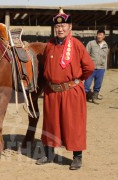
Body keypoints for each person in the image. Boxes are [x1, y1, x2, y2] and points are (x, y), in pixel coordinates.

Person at [35, 8, 94, 170]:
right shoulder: (49, 46)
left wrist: (77, 81)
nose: (60, 29)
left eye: (64, 26)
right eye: (57, 27)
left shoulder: (77, 45)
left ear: (70, 27)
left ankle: (77, 157)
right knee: (50, 124)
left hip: (71, 92)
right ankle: (48, 154)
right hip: (52, 92)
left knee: (73, 124)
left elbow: (89, 67)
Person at [84, 29, 108, 104]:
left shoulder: (105, 45)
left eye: (101, 35)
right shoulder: (91, 43)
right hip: (91, 68)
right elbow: (85, 55)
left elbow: (106, 58)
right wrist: (86, 66)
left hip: (101, 68)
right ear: (96, 35)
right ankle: (83, 97)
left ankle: (94, 97)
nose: (99, 36)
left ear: (104, 36)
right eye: (98, 34)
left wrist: (105, 68)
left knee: (98, 84)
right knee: (87, 84)